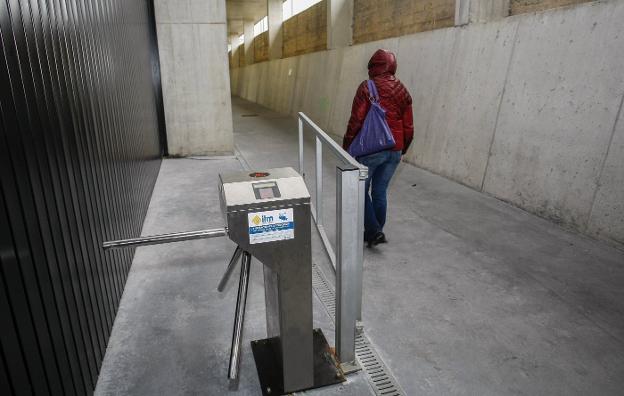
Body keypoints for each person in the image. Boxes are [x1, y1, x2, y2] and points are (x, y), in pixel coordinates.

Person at [343, 49, 414, 248]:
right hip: (395, 149)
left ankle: (374, 232)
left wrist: (347, 145)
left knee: (360, 190)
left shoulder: (367, 87)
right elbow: (408, 125)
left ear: (374, 66)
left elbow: (356, 120)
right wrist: (402, 148)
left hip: (372, 148)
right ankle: (376, 231)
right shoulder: (403, 90)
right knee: (380, 191)